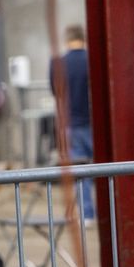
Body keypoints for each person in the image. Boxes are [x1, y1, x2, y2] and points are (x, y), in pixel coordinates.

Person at [50, 24, 94, 222]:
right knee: (110, 169)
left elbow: (55, 91)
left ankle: (88, 214)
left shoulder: (58, 63)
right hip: (94, 124)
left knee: (81, 171)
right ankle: (111, 211)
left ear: (67, 39)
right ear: (83, 38)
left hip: (70, 124)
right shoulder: (92, 60)